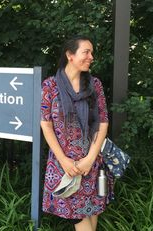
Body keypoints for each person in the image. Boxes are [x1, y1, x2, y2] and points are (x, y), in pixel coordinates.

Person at [40, 36, 114, 231]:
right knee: (78, 218)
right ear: (70, 55)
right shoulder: (50, 86)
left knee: (91, 211)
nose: (91, 57)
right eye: (86, 52)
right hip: (64, 165)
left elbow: (103, 122)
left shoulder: (94, 85)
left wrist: (90, 159)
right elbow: (46, 125)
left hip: (92, 162)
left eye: (92, 52)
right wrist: (64, 160)